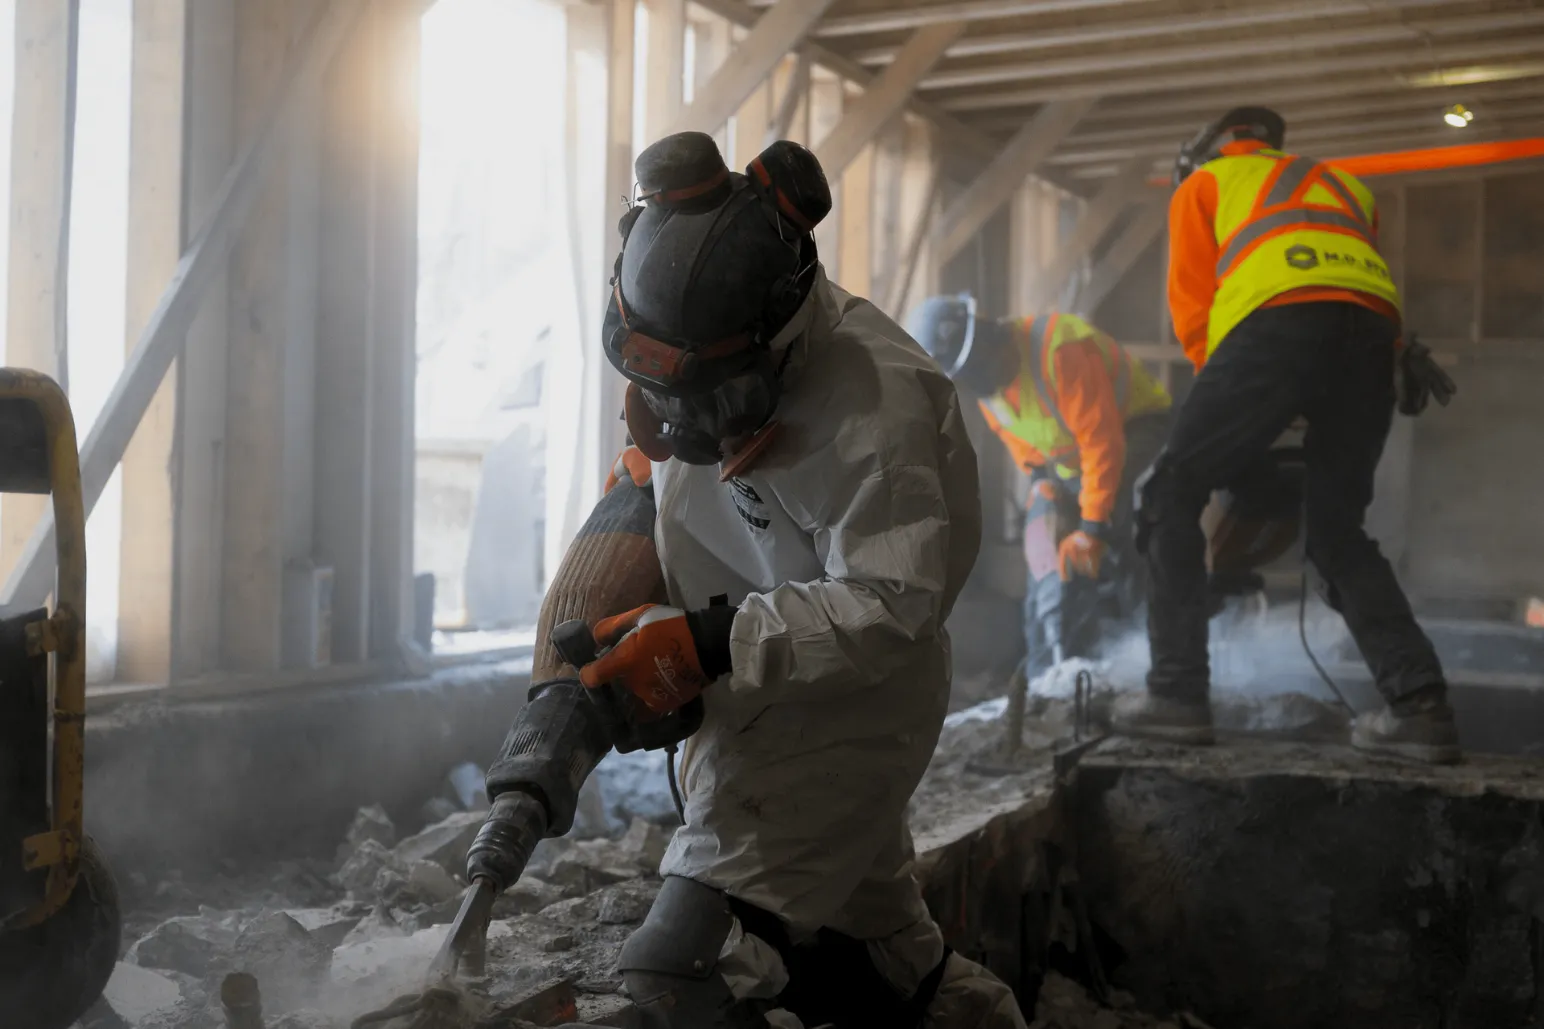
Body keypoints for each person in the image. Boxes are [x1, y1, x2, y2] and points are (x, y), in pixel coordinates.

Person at [574, 131, 1027, 1028]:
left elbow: (893, 603)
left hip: (850, 705)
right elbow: (699, 480)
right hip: (753, 688)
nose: (685, 425)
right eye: (661, 394)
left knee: (675, 972)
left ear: (776, 337)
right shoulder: (704, 361)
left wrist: (707, 642)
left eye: (707, 401)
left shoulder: (875, 401)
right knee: (872, 946)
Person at [1116, 105, 1460, 763]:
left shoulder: (1203, 186)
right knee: (1337, 533)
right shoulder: (1346, 186)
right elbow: (1341, 291)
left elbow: (1197, 321)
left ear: (1208, 155)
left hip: (1274, 325)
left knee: (1167, 490)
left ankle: (1176, 695)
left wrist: (1236, 437)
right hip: (1374, 339)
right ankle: (1420, 707)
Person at [906, 297, 1171, 680]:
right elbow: (1025, 446)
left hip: (1137, 428)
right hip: (1074, 463)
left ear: (989, 339)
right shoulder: (989, 393)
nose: (979, 382)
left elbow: (1103, 444)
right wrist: (1041, 486)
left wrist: (1091, 529)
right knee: (1046, 550)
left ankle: (1151, 655)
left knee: (1117, 529)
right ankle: (1054, 677)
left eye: (977, 369)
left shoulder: (1060, 353)